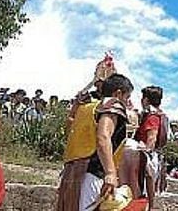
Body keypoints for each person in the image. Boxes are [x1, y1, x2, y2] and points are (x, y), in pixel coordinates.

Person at [55, 73, 135, 211]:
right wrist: (110, 173)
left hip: (72, 171)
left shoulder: (86, 108)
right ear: (118, 93)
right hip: (93, 174)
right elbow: (103, 137)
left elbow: (69, 130)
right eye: (127, 97)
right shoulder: (112, 105)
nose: (127, 102)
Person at [133, 85, 168, 208]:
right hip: (153, 157)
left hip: (146, 158)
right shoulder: (158, 115)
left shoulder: (152, 117)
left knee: (143, 190)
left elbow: (151, 137)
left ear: (146, 100)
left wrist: (145, 150)